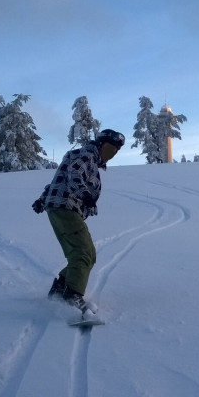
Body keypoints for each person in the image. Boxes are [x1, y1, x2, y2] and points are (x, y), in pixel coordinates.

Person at [32, 128, 125, 319]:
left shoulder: (83, 156)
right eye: (109, 149)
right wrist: (85, 194)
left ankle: (61, 289)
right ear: (100, 145)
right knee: (82, 253)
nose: (111, 155)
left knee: (88, 254)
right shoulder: (87, 155)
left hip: (61, 208)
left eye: (114, 152)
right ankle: (72, 297)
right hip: (66, 208)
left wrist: (43, 199)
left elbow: (58, 180)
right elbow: (73, 174)